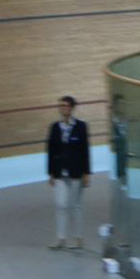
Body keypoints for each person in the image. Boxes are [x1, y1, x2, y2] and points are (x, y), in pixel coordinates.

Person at [47, 95, 89, 251]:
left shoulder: (81, 126)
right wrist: (51, 173)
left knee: (76, 205)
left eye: (65, 105)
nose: (63, 108)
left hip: (76, 172)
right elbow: (51, 151)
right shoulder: (54, 127)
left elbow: (85, 151)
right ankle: (61, 238)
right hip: (60, 172)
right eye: (61, 106)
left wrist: (86, 173)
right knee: (60, 205)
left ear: (71, 108)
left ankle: (78, 239)